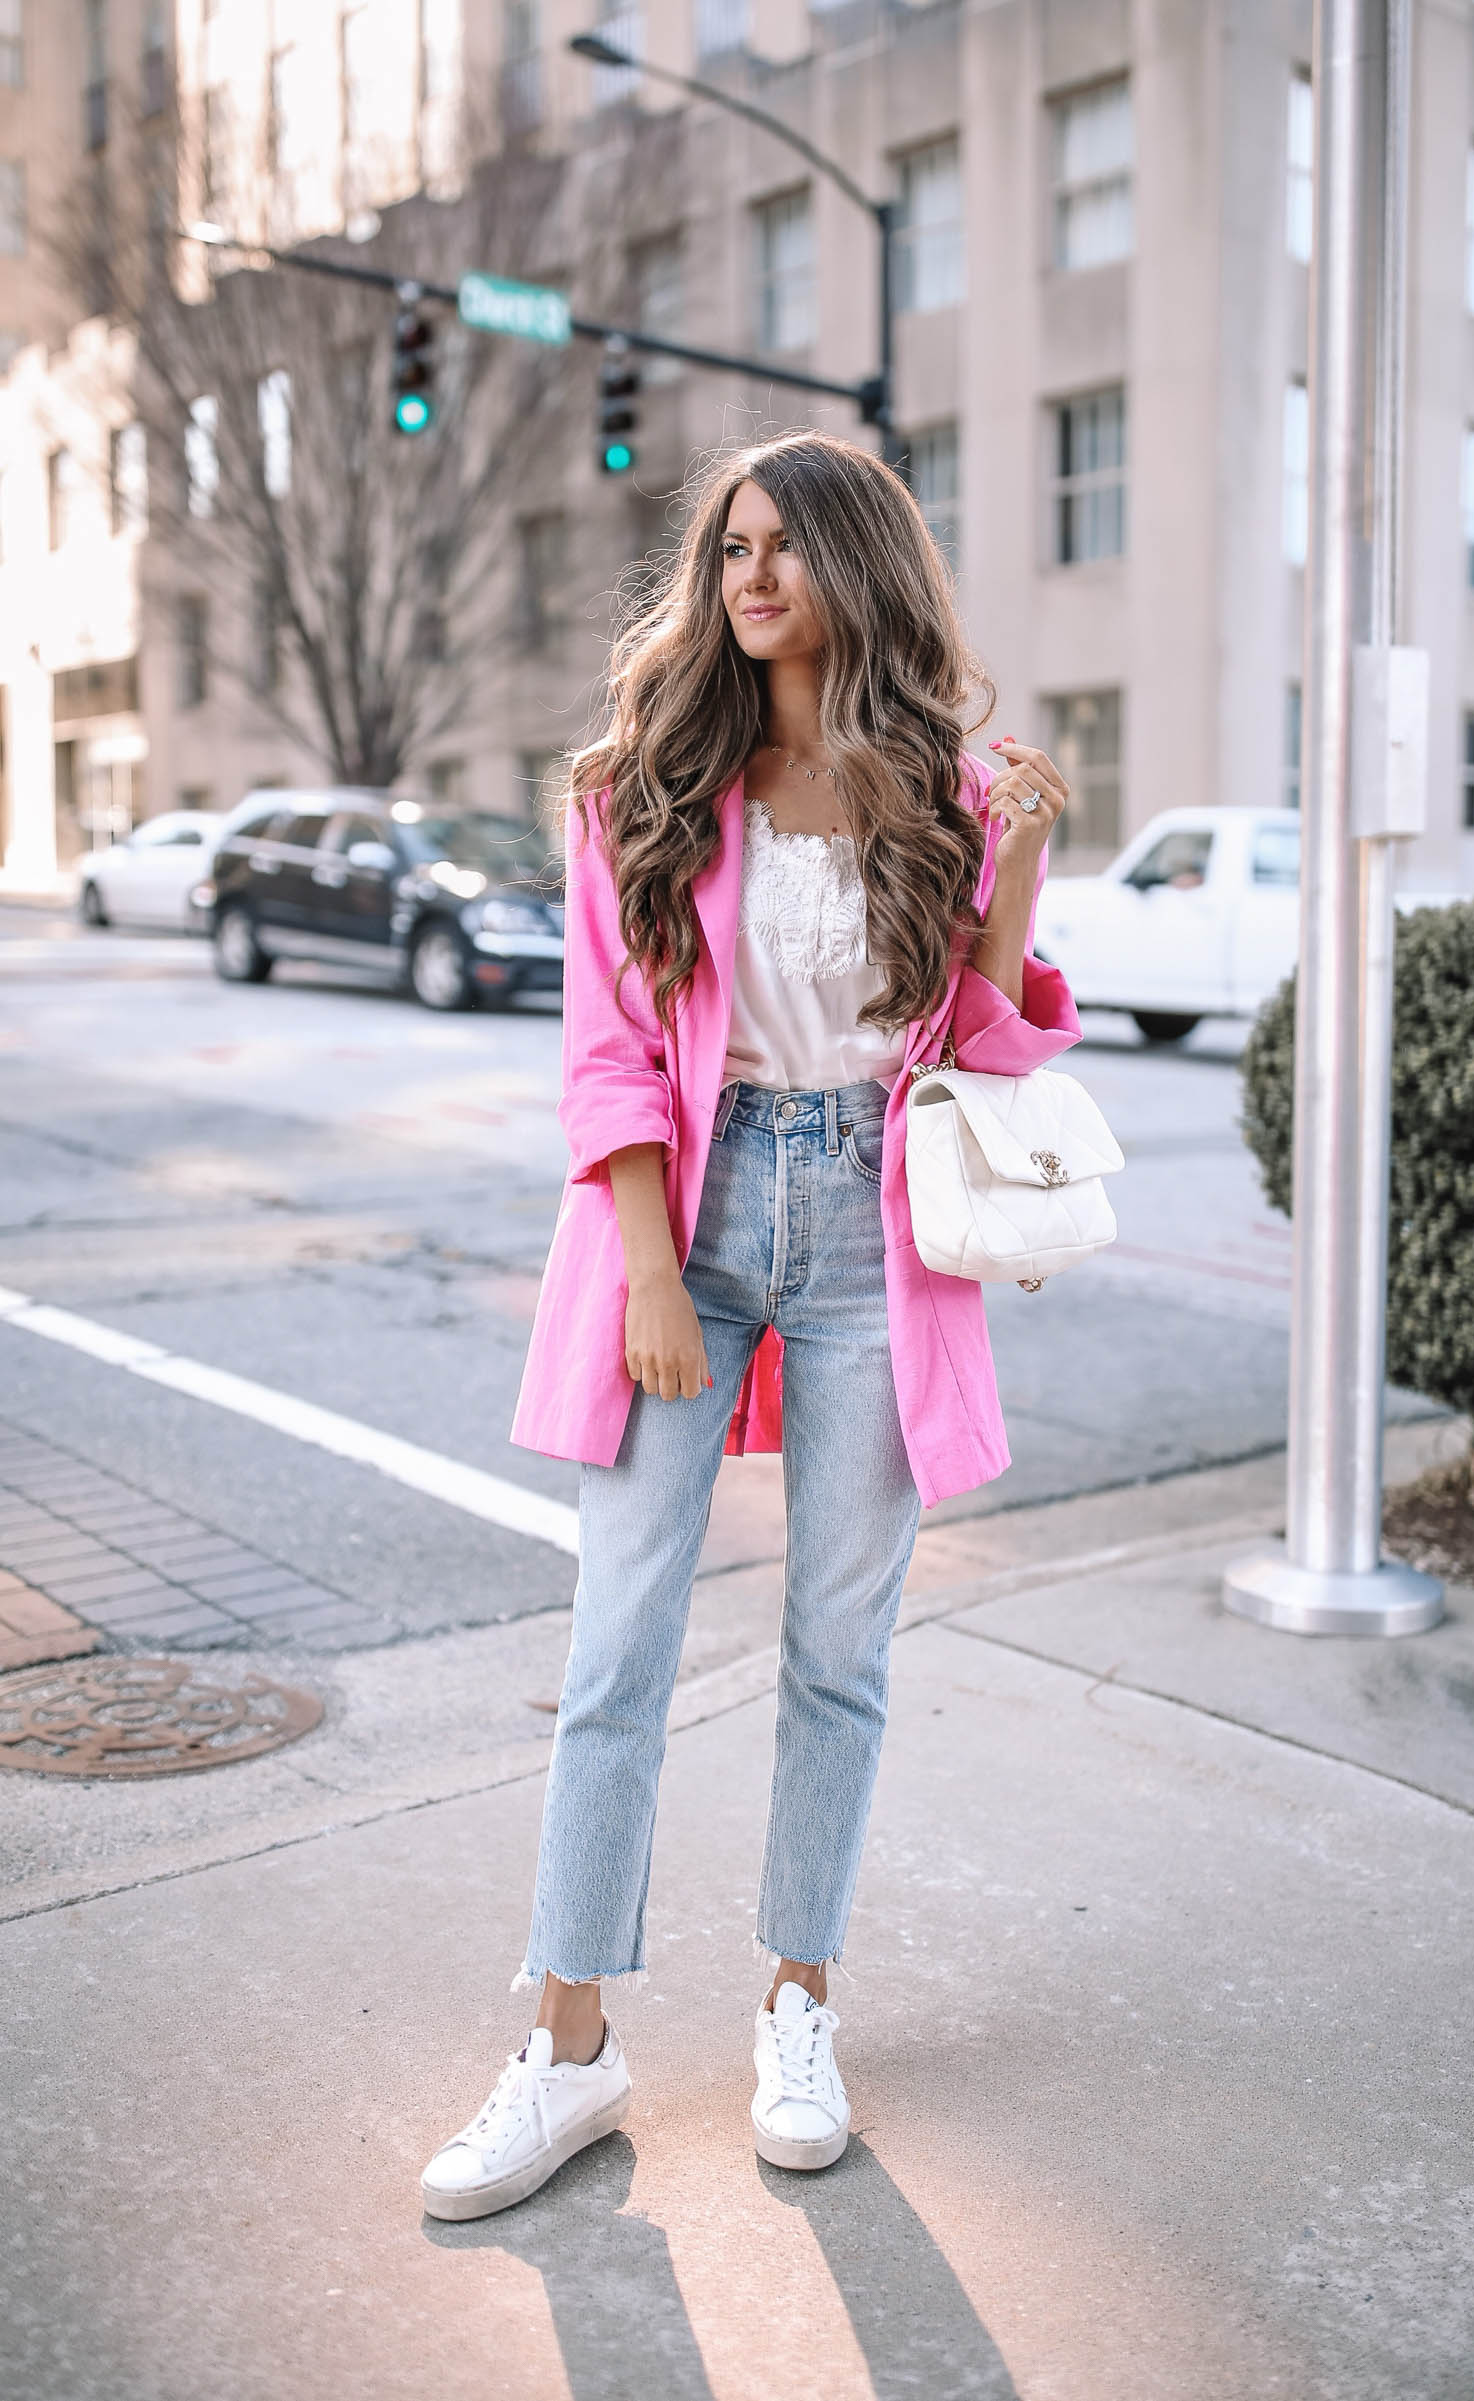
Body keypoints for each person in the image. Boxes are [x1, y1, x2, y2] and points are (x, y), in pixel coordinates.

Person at [421, 431, 1079, 2223]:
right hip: (689, 1224)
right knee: (617, 1639)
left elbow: (986, 1042)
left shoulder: (940, 783)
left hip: (881, 1220)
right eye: (731, 547)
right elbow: (608, 1053)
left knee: (838, 1652)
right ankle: (567, 2044)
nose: (753, 574)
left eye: (788, 545)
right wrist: (646, 1265)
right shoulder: (642, 777)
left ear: (860, 562)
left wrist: (1013, 867)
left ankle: (800, 2003)